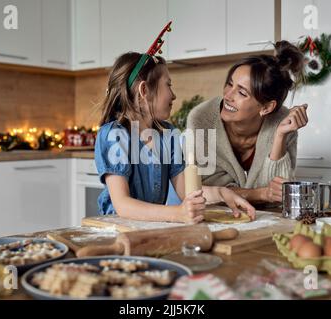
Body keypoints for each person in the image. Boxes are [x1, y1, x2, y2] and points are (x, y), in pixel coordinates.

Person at [94, 51, 255, 223]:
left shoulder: (167, 135)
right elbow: (123, 205)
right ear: (144, 90)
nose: (173, 95)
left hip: (149, 229)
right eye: (168, 85)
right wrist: (178, 213)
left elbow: (187, 191)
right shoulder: (114, 135)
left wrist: (222, 193)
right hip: (116, 230)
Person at [187, 41, 309, 204]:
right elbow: (207, 188)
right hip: (217, 216)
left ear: (266, 107)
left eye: (242, 93)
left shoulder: (284, 122)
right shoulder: (201, 120)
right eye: (230, 84)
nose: (228, 96)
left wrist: (280, 136)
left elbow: (278, 195)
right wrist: (261, 194)